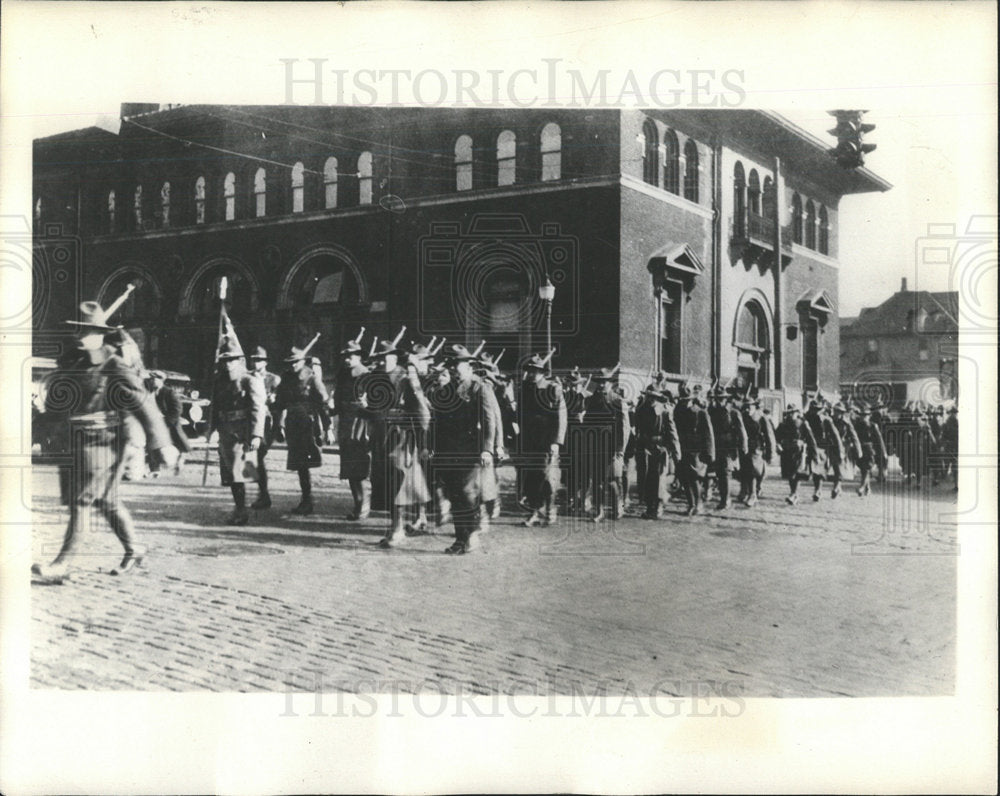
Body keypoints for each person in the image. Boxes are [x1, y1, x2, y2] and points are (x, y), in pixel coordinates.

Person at [31, 301, 178, 580]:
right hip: (74, 443)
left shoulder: (113, 364)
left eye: (88, 332)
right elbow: (55, 408)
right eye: (78, 331)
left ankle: (63, 565)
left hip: (103, 443)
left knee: (82, 502)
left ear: (100, 333)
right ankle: (134, 549)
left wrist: (164, 444)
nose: (82, 337)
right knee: (106, 502)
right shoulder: (70, 363)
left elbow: (144, 404)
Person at [433, 345, 499, 554]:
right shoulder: (446, 390)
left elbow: (490, 420)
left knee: (466, 492)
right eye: (451, 365)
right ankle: (460, 538)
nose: (454, 369)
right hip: (448, 451)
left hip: (471, 449)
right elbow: (439, 422)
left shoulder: (479, 388)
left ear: (469, 366)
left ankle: (471, 535)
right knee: (454, 493)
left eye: (458, 365)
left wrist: (488, 449)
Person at [376, 340, 432, 549]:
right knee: (392, 483)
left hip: (403, 438)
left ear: (394, 358)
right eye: (379, 358)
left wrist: (422, 442)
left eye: (385, 357)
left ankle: (398, 529)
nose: (381, 362)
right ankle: (397, 526)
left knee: (397, 484)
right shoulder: (382, 378)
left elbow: (423, 413)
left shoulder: (407, 379)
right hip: (388, 436)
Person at [212, 335, 268, 525]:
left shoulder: (249, 380)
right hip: (225, 432)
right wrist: (210, 429)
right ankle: (239, 507)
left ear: (239, 360)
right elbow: (216, 407)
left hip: (242, 433)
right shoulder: (219, 381)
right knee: (229, 474)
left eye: (231, 360)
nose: (228, 364)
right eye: (225, 360)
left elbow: (258, 408)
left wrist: (256, 435)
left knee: (240, 473)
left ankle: (242, 511)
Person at [275, 344, 329, 515]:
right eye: (290, 362)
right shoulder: (286, 378)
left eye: (296, 362)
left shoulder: (312, 378)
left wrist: (328, 427)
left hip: (308, 424)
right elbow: (280, 403)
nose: (293, 365)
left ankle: (309, 500)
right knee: (299, 465)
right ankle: (306, 500)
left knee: (306, 462)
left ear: (302, 361)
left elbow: (323, 403)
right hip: (292, 424)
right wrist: (279, 424)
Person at [518, 353, 567, 527]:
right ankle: (533, 511)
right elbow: (521, 412)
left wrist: (556, 442)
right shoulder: (524, 388)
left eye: (535, 371)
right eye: (529, 370)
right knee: (531, 477)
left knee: (546, 476)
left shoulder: (552, 388)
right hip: (529, 440)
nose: (531, 374)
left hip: (546, 439)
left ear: (542, 372)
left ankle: (550, 509)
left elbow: (561, 416)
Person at [583, 366, 631, 522]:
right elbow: (587, 424)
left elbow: (624, 427)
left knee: (611, 480)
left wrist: (620, 448)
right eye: (599, 382)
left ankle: (618, 508)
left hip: (612, 446)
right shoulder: (590, 400)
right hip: (595, 445)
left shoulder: (617, 400)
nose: (602, 385)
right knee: (597, 481)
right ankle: (599, 511)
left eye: (604, 382)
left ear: (609, 382)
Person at [332, 338, 373, 520]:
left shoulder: (367, 375)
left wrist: (365, 405)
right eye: (345, 356)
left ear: (359, 357)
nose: (347, 359)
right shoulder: (342, 374)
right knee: (348, 466)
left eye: (351, 356)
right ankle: (357, 503)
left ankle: (364, 505)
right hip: (345, 423)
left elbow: (375, 402)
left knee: (360, 465)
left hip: (360, 423)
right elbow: (338, 398)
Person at [633, 384, 681, 519]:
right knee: (646, 478)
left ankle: (658, 507)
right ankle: (649, 507)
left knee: (659, 478)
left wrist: (676, 450)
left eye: (654, 397)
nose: (651, 400)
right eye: (649, 396)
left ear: (658, 398)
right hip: (644, 447)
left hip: (659, 448)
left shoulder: (665, 411)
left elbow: (672, 432)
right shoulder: (642, 409)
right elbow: (637, 427)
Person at [245, 347, 281, 509]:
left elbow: (281, 404)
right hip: (251, 422)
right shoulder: (247, 377)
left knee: (257, 457)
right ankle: (261, 492)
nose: (256, 363)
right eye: (253, 359)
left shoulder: (274, 379)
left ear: (265, 362)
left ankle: (264, 494)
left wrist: (274, 400)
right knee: (251, 459)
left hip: (267, 422)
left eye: (259, 360)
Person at [672, 382, 715, 516]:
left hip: (697, 451)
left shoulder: (700, 413)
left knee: (695, 478)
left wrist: (709, 453)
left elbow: (708, 434)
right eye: (683, 400)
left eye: (687, 400)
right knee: (684, 478)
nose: (684, 403)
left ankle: (699, 504)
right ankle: (691, 504)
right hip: (683, 449)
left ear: (692, 400)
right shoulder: (679, 411)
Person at [706, 385, 748, 510]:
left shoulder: (733, 412)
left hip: (728, 446)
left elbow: (741, 430)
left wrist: (743, 445)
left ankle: (726, 500)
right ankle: (724, 497)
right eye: (717, 399)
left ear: (726, 399)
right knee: (718, 473)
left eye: (721, 399)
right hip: (716, 445)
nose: (719, 401)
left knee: (725, 473)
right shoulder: (712, 411)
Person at [738, 395, 777, 507]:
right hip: (745, 447)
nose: (746, 409)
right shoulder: (743, 417)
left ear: (754, 406)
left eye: (749, 407)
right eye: (745, 407)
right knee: (745, 470)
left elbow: (770, 436)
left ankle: (753, 495)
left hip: (757, 448)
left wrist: (771, 453)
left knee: (753, 471)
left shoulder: (761, 418)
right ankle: (746, 491)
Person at [776, 404, 817, 505]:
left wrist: (814, 453)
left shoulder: (802, 424)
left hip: (798, 452)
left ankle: (794, 494)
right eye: (789, 413)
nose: (790, 415)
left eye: (792, 413)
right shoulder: (783, 424)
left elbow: (810, 439)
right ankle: (793, 493)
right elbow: (776, 436)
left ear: (797, 413)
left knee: (796, 473)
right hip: (786, 451)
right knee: (790, 474)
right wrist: (778, 445)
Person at [804, 398, 844, 501]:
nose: (816, 412)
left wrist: (840, 450)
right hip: (810, 446)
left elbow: (836, 436)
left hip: (823, 447)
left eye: (818, 409)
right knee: (813, 470)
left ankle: (819, 490)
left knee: (821, 469)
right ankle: (818, 489)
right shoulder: (807, 418)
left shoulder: (826, 420)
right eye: (813, 409)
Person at [853, 402, 887, 497]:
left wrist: (883, 453)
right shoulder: (857, 425)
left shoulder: (873, 426)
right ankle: (868, 488)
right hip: (859, 450)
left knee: (866, 469)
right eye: (862, 415)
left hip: (870, 451)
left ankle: (861, 487)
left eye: (865, 415)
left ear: (869, 416)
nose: (863, 417)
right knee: (863, 469)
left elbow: (879, 440)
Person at [830, 402, 863, 497]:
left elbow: (854, 436)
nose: (837, 414)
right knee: (836, 467)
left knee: (839, 466)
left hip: (844, 447)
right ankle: (838, 487)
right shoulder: (830, 421)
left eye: (839, 412)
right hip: (832, 446)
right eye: (836, 411)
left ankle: (836, 487)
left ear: (842, 413)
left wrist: (858, 449)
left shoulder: (846, 423)